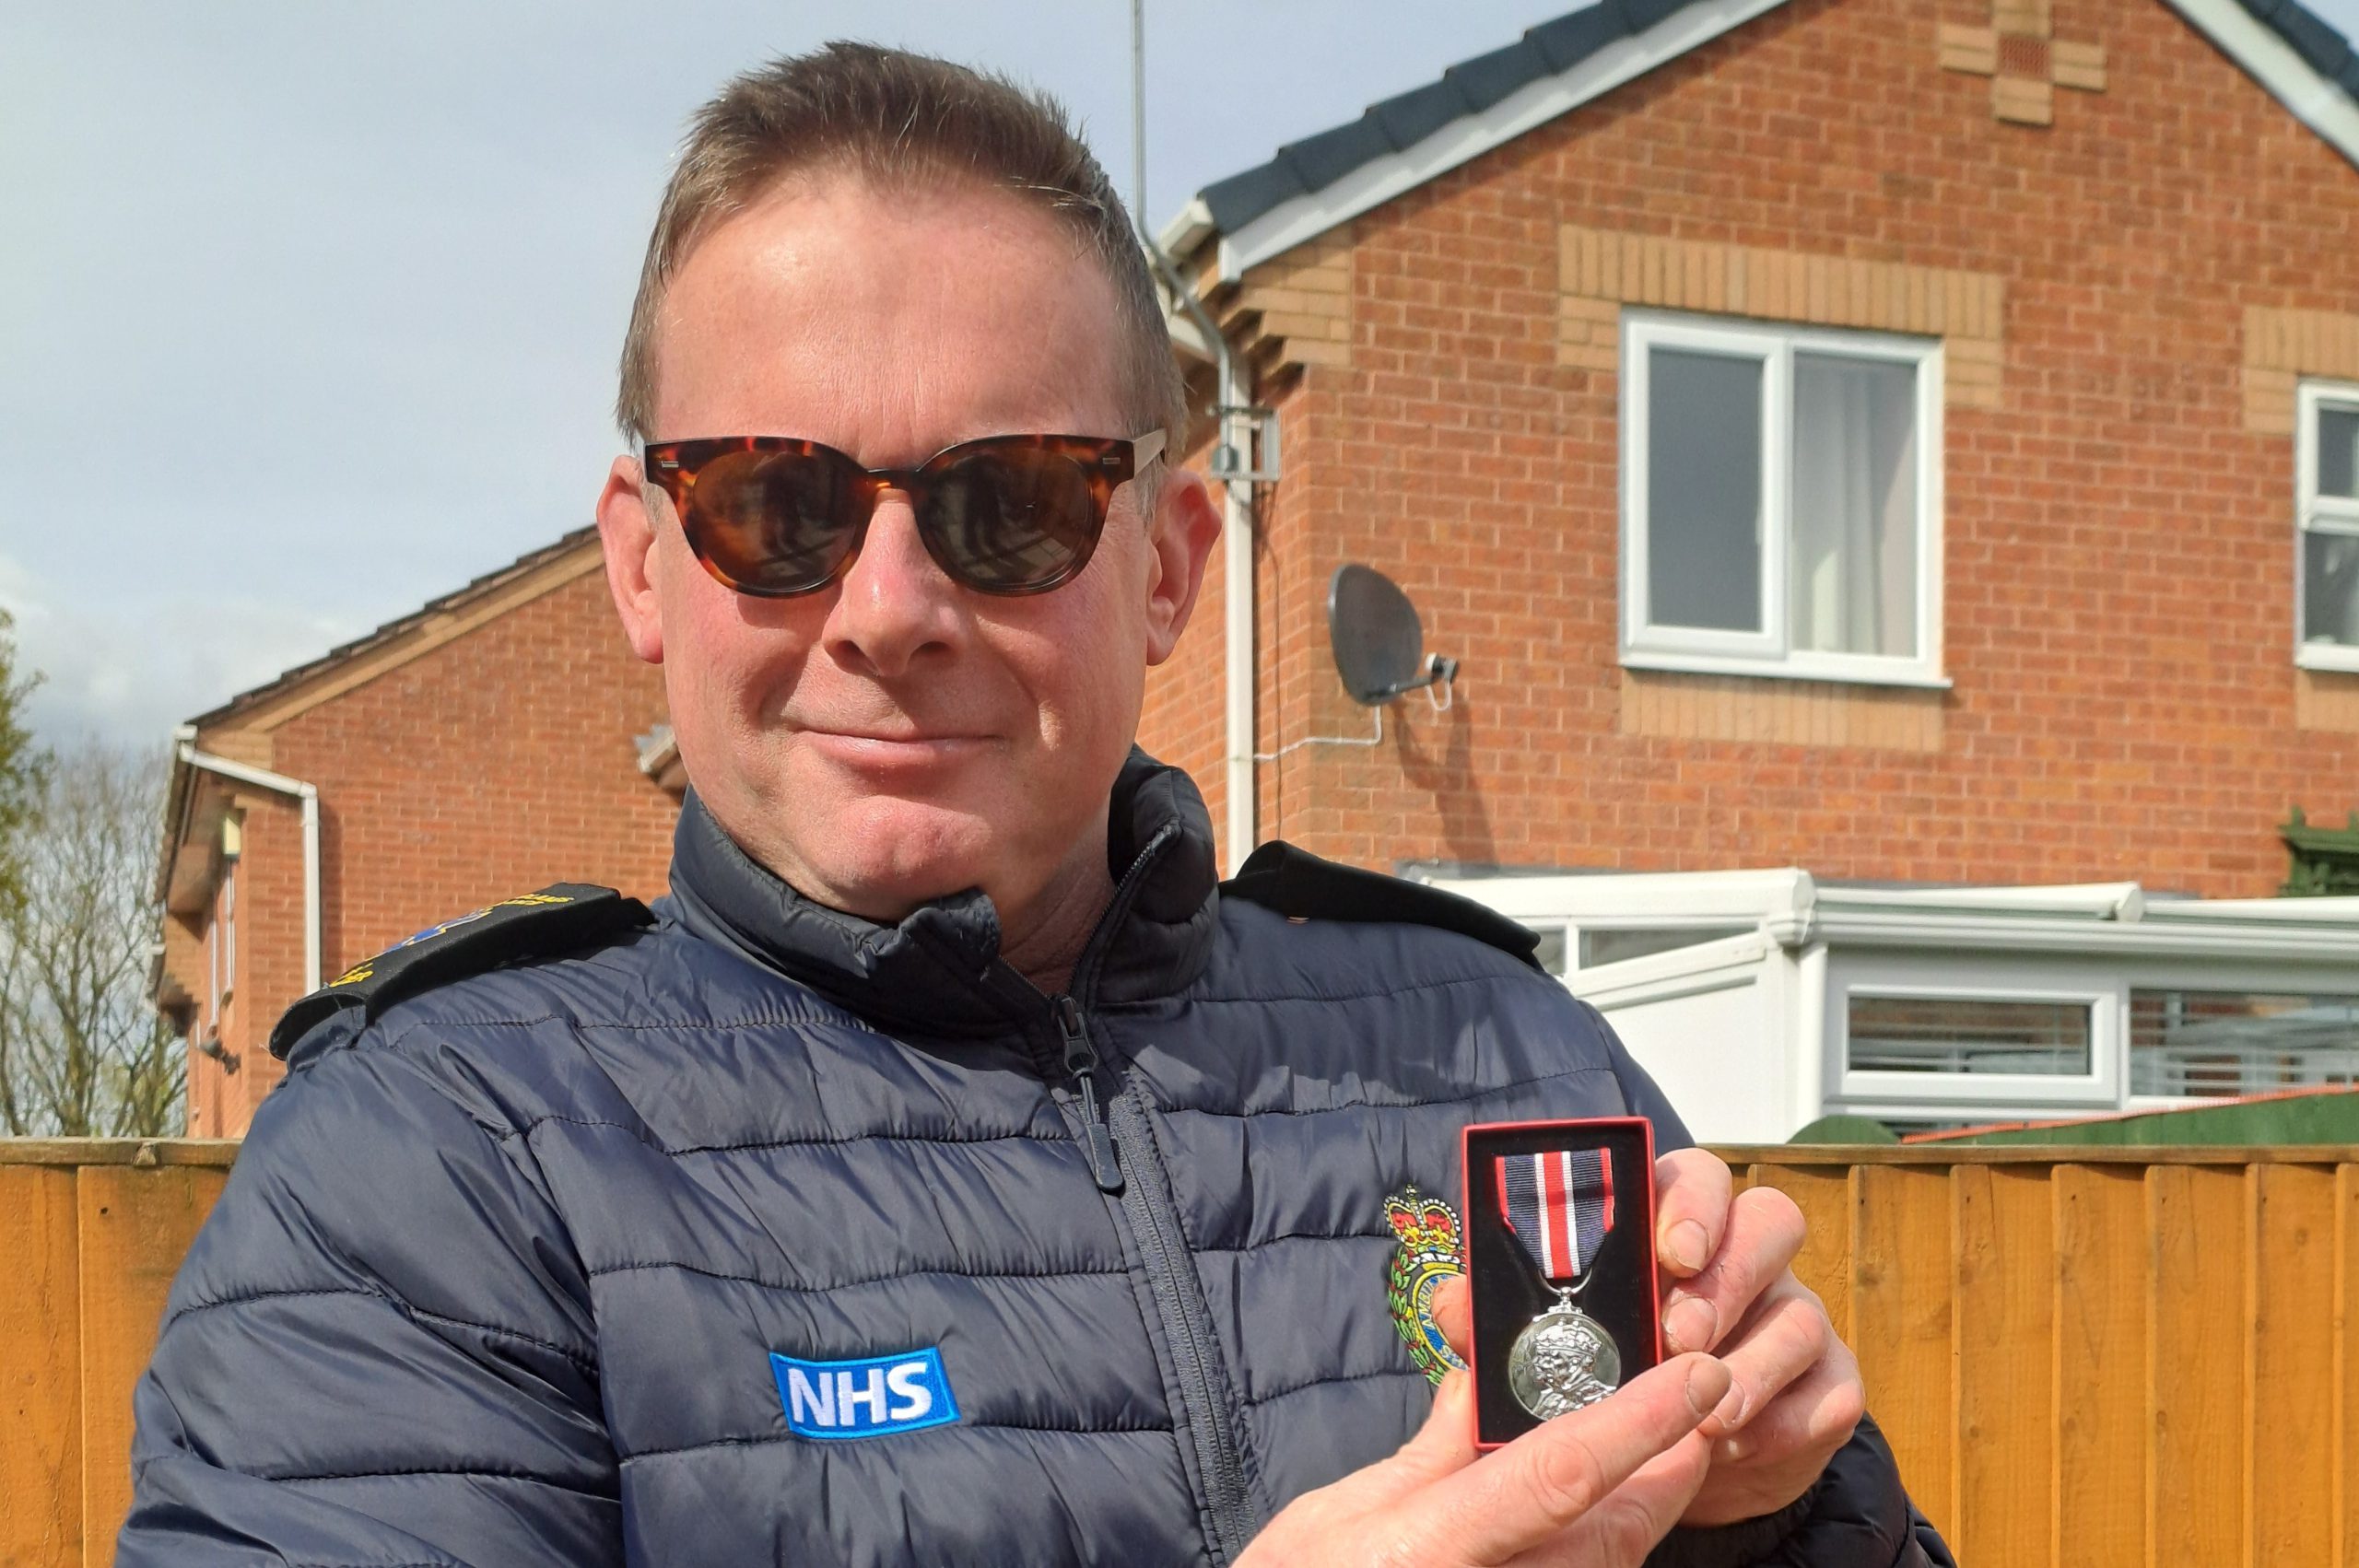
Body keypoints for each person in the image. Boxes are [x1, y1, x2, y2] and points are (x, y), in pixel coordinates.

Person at [120, 43, 1951, 1567]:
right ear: (643, 564)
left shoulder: (1496, 1045)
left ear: (1163, 562)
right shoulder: (436, 1167)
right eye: (777, 504)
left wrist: (1759, 1519)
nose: (892, 606)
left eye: (1011, 503)